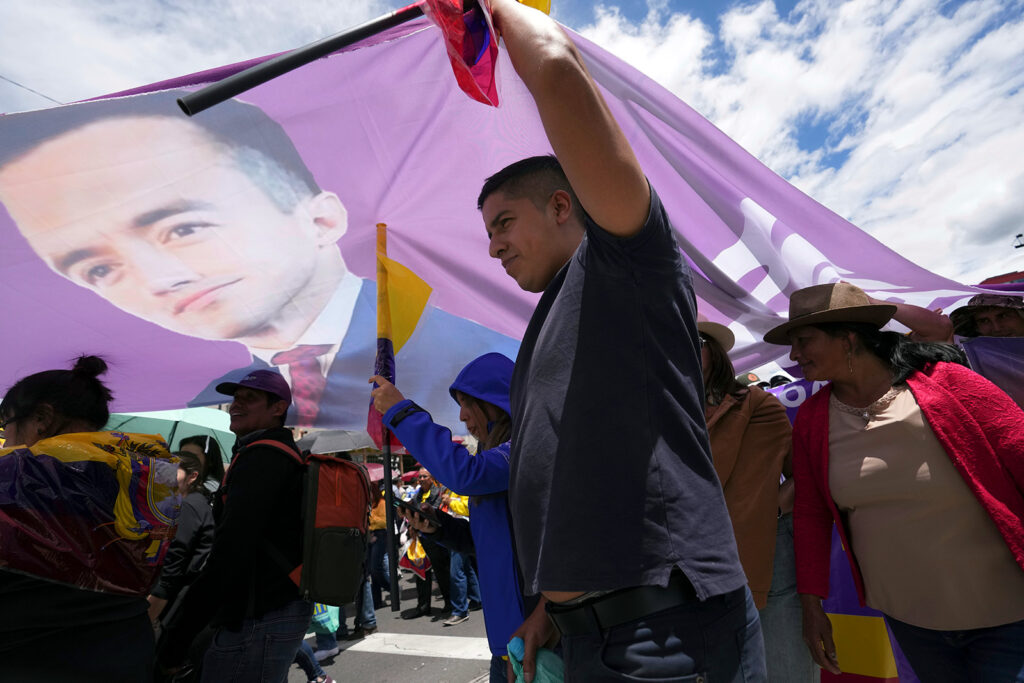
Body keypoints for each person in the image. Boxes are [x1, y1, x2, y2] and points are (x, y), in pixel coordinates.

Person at [476, 1, 765, 681]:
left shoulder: (626, 263)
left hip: (667, 637)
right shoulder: (550, 321)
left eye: (504, 221)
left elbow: (555, 69)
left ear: (561, 204)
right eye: (487, 232)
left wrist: (495, 12)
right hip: (585, 639)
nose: (492, 246)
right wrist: (552, 604)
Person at [0, 89, 519, 430]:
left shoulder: (481, 354)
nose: (157, 279)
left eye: (184, 228)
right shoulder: (216, 393)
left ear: (320, 220)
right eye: (98, 269)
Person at [763, 282, 1024, 681]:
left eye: (803, 340)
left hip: (1007, 617)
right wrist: (811, 604)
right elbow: (812, 514)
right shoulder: (814, 420)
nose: (794, 355)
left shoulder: (951, 384)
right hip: (913, 623)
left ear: (848, 338)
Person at [0, 355, 179, 681]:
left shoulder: (16, 476)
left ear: (41, 418)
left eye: (7, 425)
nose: (6, 438)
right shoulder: (149, 478)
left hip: (33, 659)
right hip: (125, 652)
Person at [371, 352, 545, 683]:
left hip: (537, 639)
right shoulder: (494, 457)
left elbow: (465, 473)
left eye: (469, 403)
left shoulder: (523, 449)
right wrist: (440, 528)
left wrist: (400, 411)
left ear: (497, 403)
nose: (462, 417)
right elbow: (490, 544)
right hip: (507, 642)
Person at [170, 369, 310, 682]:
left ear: (277, 408)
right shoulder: (270, 453)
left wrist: (178, 636)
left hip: (260, 614)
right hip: (271, 609)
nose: (236, 405)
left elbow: (230, 551)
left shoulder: (263, 457)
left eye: (250, 398)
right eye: (235, 399)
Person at [698, 318, 815, 682]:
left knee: (782, 666)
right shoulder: (660, 415)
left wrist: (771, 510)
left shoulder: (754, 405)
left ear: (713, 353)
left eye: (694, 341)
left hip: (764, 554)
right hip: (693, 562)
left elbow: (805, 474)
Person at [148, 449, 216, 626]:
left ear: (192, 476)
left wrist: (149, 615)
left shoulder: (188, 507)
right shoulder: (192, 503)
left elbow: (172, 565)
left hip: (169, 601)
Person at [950, 293, 1024, 338]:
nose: (997, 328)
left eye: (1003, 316)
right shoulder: (972, 359)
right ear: (976, 327)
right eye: (984, 321)